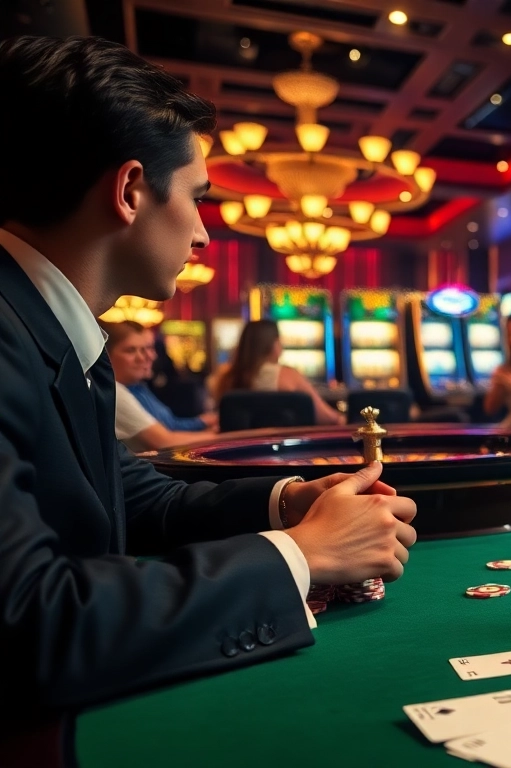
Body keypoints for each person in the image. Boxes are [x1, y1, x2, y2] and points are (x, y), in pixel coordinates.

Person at [0, 36, 417, 758]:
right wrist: (300, 556)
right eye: (197, 197)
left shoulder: (54, 329)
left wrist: (290, 501)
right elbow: (30, 626)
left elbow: (135, 498)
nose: (202, 233)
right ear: (130, 190)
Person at [104, 319, 217, 451]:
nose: (146, 357)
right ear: (106, 356)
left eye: (148, 348)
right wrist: (220, 435)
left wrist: (205, 424)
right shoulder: (115, 392)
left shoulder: (138, 388)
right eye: (131, 350)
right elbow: (165, 441)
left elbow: (169, 425)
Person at [211, 319, 344, 426]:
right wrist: (343, 419)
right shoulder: (288, 375)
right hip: (286, 456)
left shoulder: (226, 379)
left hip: (236, 456)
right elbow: (328, 418)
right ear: (275, 345)